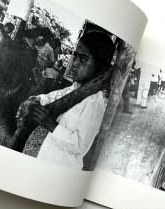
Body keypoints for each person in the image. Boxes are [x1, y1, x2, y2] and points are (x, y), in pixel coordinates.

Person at [19, 32, 115, 169]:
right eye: (75, 56)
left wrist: (51, 125)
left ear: (100, 67)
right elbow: (56, 96)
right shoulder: (75, 89)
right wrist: (37, 99)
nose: (74, 63)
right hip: (46, 158)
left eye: (83, 59)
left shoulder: (95, 103)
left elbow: (79, 145)